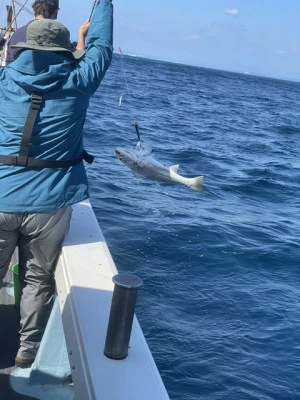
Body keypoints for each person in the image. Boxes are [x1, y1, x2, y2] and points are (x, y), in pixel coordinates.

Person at [0, 0, 113, 368]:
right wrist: (104, 3)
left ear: (23, 47)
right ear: (65, 49)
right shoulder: (80, 81)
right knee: (38, 280)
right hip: (51, 205)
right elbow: (101, 46)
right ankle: (27, 350)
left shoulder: (3, 80)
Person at [6, 0, 88, 63]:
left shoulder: (16, 34)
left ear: (35, 8)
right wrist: (82, 34)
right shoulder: (55, 34)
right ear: (55, 12)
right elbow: (77, 59)